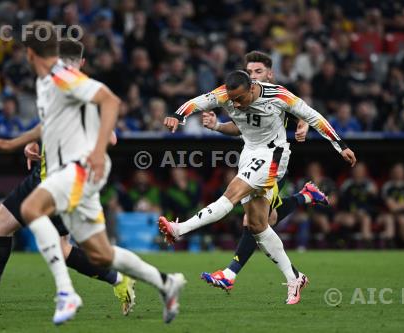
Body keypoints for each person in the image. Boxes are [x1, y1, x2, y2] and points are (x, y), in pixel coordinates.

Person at [0, 39, 136, 316]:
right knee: (0, 224)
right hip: (41, 176)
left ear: (80, 64)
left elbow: (111, 136)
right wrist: (34, 145)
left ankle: (119, 279)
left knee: (61, 249)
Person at [19, 21, 185, 325]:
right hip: (69, 172)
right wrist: (19, 143)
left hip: (78, 170)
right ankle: (166, 283)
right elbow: (53, 126)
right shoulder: (48, 83)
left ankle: (66, 293)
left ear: (30, 53)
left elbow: (111, 127)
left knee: (30, 210)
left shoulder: (69, 82)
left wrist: (94, 150)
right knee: (101, 255)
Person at [160, 68, 356, 304]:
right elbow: (197, 102)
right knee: (257, 224)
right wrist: (177, 115)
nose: (237, 105)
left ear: (252, 87)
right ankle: (294, 277)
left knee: (231, 194)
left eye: (241, 98)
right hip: (249, 153)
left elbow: (314, 116)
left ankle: (179, 230)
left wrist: (340, 145)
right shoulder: (224, 94)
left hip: (274, 155)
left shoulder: (279, 95)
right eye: (233, 100)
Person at [198, 51, 329, 291]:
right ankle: (306, 196)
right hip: (253, 158)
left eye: (258, 71)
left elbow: (305, 114)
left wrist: (303, 126)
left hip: (275, 161)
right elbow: (238, 128)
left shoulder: (279, 94)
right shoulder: (245, 96)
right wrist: (216, 125)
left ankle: (230, 273)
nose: (253, 76)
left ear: (270, 73)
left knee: (254, 221)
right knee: (268, 219)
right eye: (249, 72)